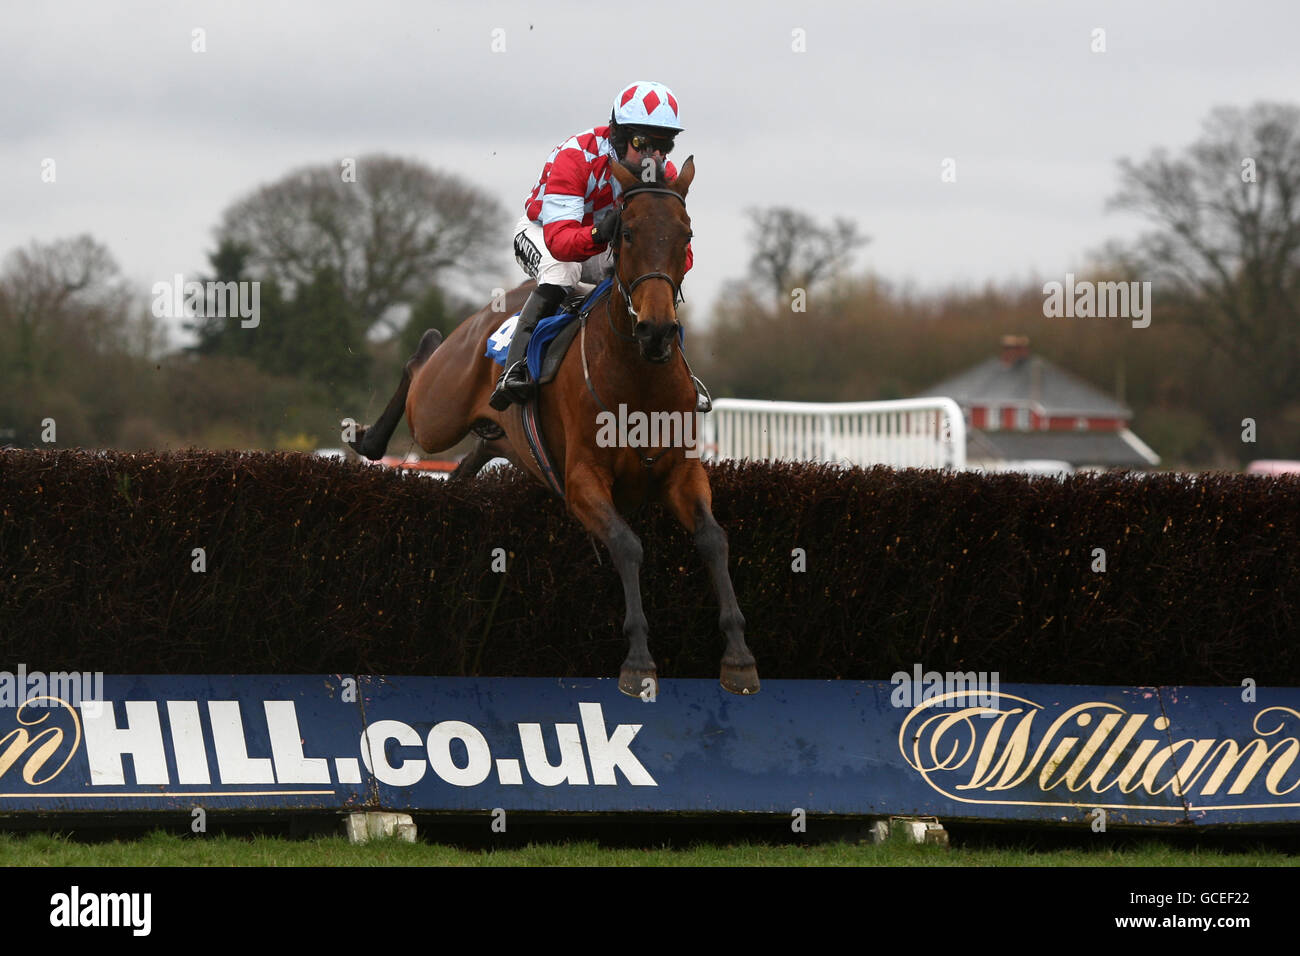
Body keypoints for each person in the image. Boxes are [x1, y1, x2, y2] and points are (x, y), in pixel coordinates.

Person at [490, 80, 699, 411]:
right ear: (618, 134)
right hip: (544, 233)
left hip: (600, 243)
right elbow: (560, 242)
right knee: (563, 271)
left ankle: (682, 372)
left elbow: (677, 252)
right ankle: (514, 368)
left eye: (663, 145)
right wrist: (599, 234)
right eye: (641, 142)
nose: (652, 156)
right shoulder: (577, 156)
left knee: (649, 279)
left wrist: (663, 267)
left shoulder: (665, 176)